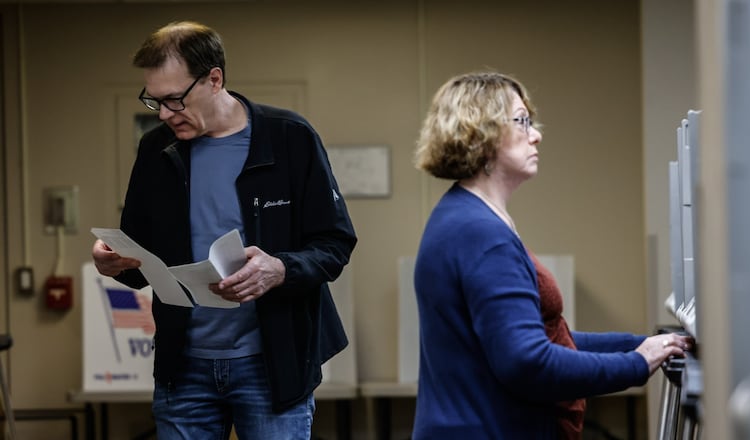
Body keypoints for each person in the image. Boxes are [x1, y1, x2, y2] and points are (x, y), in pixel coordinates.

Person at [91, 21, 356, 439]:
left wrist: (280, 268)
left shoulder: (290, 138)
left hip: (272, 366)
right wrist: (113, 262)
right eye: (154, 101)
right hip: (184, 368)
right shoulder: (156, 150)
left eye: (175, 99)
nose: (164, 114)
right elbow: (140, 261)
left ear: (215, 79)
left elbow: (334, 243)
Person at [411, 72, 692, 439]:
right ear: (481, 131)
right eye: (522, 121)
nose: (536, 134)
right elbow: (529, 362)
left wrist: (640, 345)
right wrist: (636, 363)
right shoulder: (480, 232)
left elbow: (545, 338)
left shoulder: (466, 216)